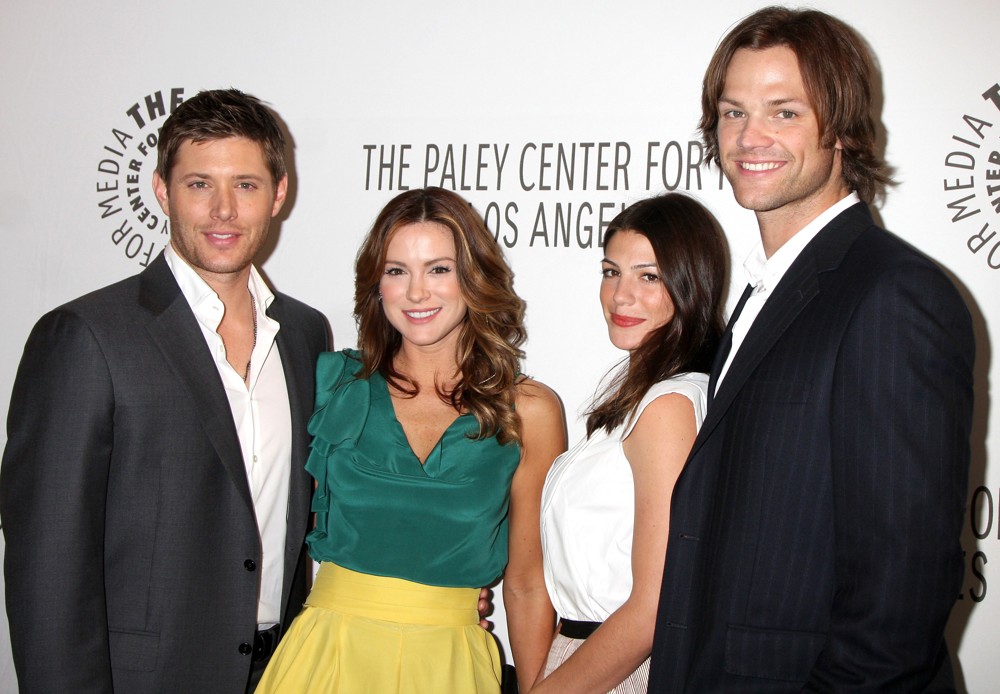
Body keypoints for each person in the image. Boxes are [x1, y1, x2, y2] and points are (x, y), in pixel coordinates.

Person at [648, 7, 975, 692]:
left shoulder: (892, 294)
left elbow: (899, 599)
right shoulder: (766, 291)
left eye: (785, 112)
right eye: (733, 113)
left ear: (844, 131)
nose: (750, 137)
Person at [1, 89, 329, 693]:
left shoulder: (305, 334)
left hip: (283, 672)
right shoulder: (86, 336)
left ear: (279, 194)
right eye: (200, 184)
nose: (224, 210)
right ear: (162, 190)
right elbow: (46, 563)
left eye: (246, 185)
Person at [256, 186, 565, 694]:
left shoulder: (531, 410)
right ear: (377, 285)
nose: (417, 293)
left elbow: (529, 585)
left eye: (439, 269)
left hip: (449, 664)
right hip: (326, 655)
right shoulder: (331, 385)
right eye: (397, 271)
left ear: (474, 277)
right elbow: (273, 528)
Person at [532, 194, 727, 694]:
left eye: (649, 276)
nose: (620, 296)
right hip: (591, 659)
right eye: (611, 272)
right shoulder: (659, 394)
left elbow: (652, 608)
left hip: (618, 669)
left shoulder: (668, 406)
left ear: (692, 283)